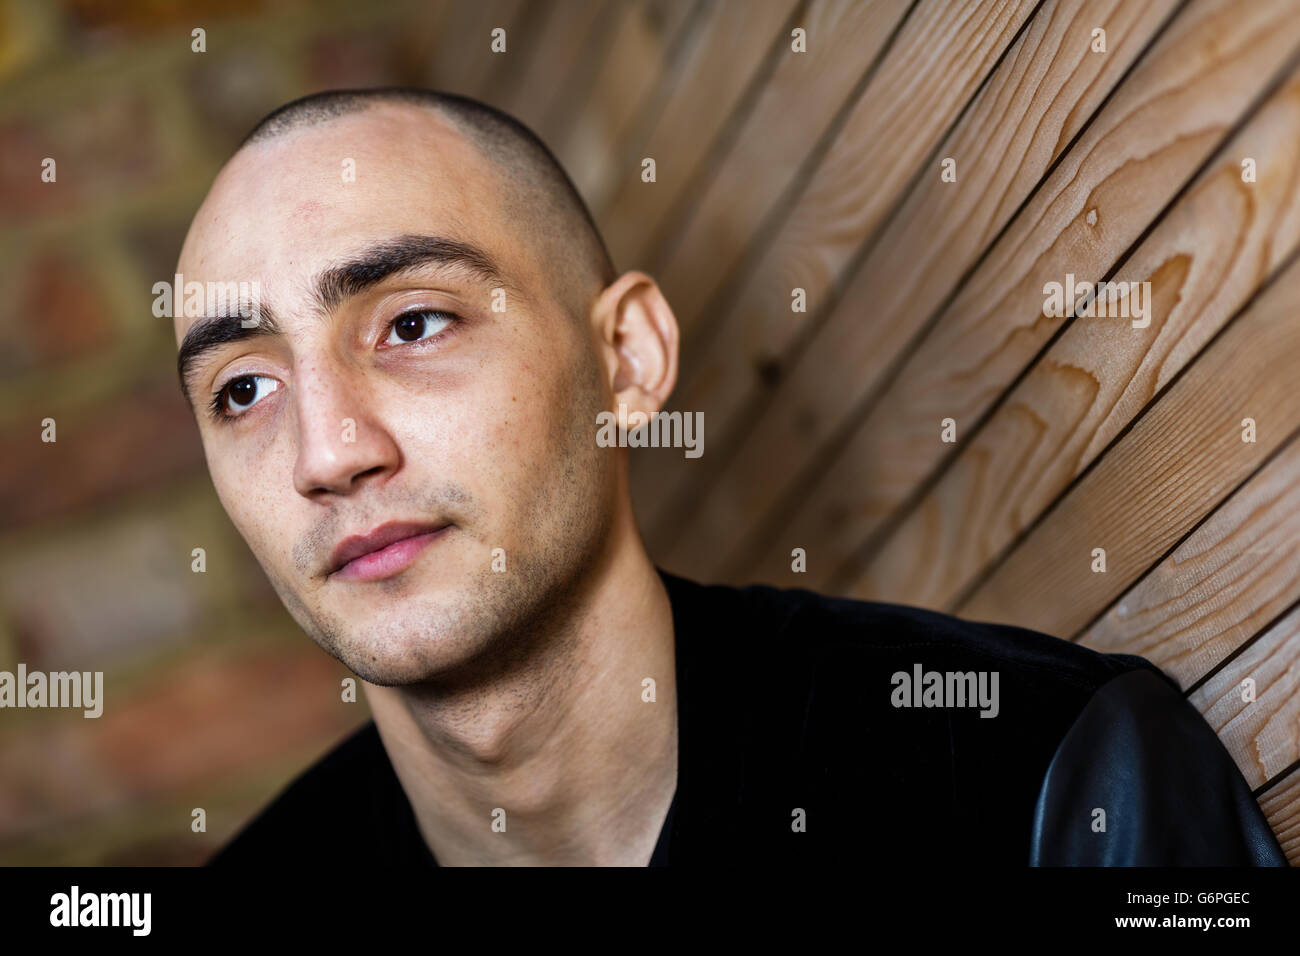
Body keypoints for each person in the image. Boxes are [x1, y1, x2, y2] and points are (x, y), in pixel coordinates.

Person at [173, 88, 1284, 867]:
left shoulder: (1038, 775)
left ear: (627, 360)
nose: (328, 452)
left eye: (413, 322)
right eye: (243, 390)